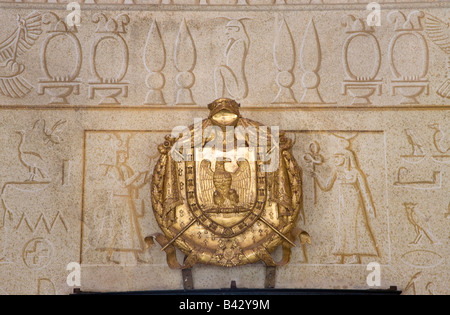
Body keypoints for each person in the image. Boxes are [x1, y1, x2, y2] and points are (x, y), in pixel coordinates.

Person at [311, 148, 379, 264]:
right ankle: (339, 256)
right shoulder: (337, 172)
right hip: (341, 205)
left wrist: (369, 205)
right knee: (340, 228)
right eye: (334, 157)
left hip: (355, 205)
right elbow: (326, 186)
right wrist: (317, 176)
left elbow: (364, 190)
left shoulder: (356, 172)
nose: (335, 159)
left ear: (345, 157)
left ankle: (355, 256)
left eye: (337, 157)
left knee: (355, 227)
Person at [97, 150, 150, 264]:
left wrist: (146, 175)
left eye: (125, 156)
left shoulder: (126, 169)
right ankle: (108, 255)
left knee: (129, 227)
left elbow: (134, 185)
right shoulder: (113, 170)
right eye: (121, 155)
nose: (124, 158)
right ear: (117, 156)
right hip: (117, 200)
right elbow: (123, 184)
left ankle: (134, 256)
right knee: (115, 227)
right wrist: (138, 173)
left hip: (126, 199)